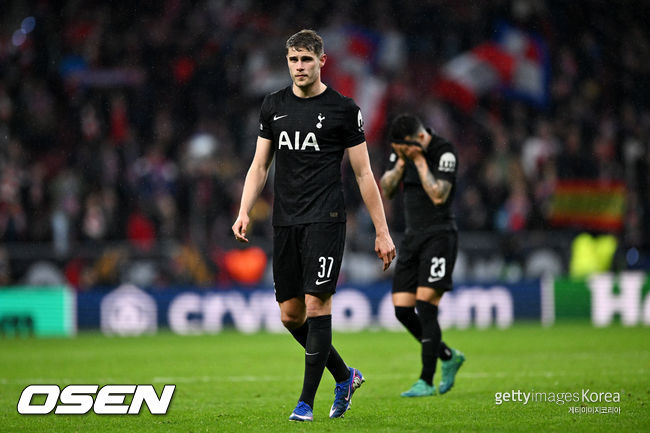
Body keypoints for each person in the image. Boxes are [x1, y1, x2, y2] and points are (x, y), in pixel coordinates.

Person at [232, 29, 396, 422]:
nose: (299, 66)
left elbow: (363, 173)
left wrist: (382, 230)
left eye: (306, 59)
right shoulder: (273, 105)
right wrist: (243, 210)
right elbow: (260, 165)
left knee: (317, 304)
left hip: (326, 218)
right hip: (285, 220)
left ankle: (305, 403)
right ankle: (345, 376)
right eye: (293, 59)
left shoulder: (343, 109)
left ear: (322, 61)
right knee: (291, 315)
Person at [380, 113, 465, 397]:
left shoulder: (444, 152)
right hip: (412, 238)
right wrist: (401, 162)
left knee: (426, 305)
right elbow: (387, 189)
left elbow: (439, 195)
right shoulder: (402, 153)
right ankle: (448, 356)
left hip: (439, 236)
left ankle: (426, 380)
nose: (399, 153)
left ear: (417, 138)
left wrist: (418, 161)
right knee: (402, 310)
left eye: (403, 149)